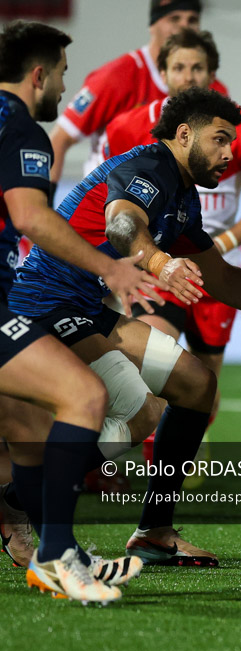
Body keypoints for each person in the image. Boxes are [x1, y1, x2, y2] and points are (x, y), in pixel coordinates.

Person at [8, 86, 241, 569]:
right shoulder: (149, 167)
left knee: (194, 386)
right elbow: (121, 223)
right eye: (219, 140)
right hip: (42, 306)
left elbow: (219, 276)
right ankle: (24, 505)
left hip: (83, 306)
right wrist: (161, 263)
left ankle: (149, 529)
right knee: (120, 408)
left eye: (232, 143)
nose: (229, 153)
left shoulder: (183, 195)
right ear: (183, 134)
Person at [0, 21, 164, 603]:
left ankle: (51, 550)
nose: (65, 89)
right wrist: (111, 268)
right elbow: (31, 218)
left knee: (28, 430)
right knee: (84, 398)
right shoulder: (19, 127)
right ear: (38, 74)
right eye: (63, 75)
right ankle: (58, 557)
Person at [105, 29, 241, 453]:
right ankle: (119, 461)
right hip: (160, 264)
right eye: (178, 67)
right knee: (148, 365)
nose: (188, 76)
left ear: (212, 72)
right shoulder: (129, 128)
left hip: (207, 262)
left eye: (197, 67)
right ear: (162, 72)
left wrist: (226, 241)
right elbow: (111, 208)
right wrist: (141, 260)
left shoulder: (240, 128)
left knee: (206, 383)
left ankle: (166, 460)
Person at [49, 0, 226, 181]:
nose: (184, 27)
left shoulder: (211, 90)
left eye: (192, 20)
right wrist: (45, 200)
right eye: (174, 19)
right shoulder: (115, 77)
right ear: (153, 25)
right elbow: (60, 139)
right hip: (108, 192)